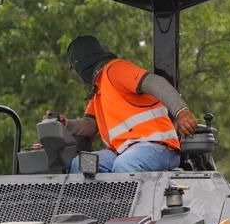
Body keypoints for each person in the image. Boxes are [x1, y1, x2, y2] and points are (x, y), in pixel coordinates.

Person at [60, 35, 198, 173]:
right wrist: (65, 123)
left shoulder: (115, 70)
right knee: (80, 164)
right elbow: (89, 125)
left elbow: (155, 82)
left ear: (80, 62)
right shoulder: (98, 91)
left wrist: (182, 112)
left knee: (124, 164)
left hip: (158, 147)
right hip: (121, 152)